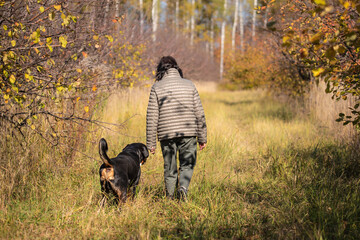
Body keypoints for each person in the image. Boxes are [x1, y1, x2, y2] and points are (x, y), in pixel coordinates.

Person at [146, 56, 207, 201]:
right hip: (188, 132)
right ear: (176, 68)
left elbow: (151, 116)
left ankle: (170, 198)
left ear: (160, 70)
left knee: (170, 167)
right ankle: (183, 189)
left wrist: (151, 143)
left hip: (166, 134)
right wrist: (202, 137)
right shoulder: (189, 85)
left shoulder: (157, 87)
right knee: (187, 164)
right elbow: (199, 113)